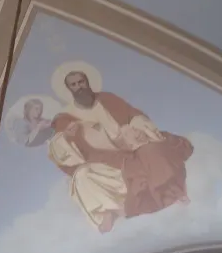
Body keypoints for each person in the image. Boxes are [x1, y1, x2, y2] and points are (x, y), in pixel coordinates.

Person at [48, 71, 194, 233]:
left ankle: (172, 192)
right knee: (82, 176)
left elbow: (133, 115)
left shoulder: (107, 99)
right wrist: (66, 137)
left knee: (153, 149)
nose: (79, 87)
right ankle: (107, 212)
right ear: (69, 89)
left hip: (131, 146)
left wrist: (138, 127)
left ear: (87, 82)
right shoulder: (66, 117)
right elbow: (58, 148)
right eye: (74, 85)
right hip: (103, 160)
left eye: (81, 82)